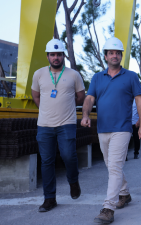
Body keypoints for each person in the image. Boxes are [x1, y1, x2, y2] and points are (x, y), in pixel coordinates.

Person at [81, 37, 141, 223]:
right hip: (102, 128)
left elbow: (140, 101)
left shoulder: (131, 76)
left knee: (115, 166)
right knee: (112, 166)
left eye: (118, 53)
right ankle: (124, 194)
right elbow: (89, 99)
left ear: (121, 56)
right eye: (111, 53)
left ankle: (108, 208)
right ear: (105, 56)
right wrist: (85, 115)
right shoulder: (97, 77)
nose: (115, 56)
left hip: (122, 128)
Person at [31, 39, 86, 212]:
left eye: (59, 54)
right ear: (47, 56)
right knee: (47, 161)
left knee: (68, 155)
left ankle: (73, 181)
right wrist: (46, 110)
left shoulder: (73, 75)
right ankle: (49, 199)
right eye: (52, 55)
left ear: (64, 56)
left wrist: (64, 107)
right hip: (44, 125)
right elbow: (36, 96)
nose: (56, 58)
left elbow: (80, 97)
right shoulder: (38, 74)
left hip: (67, 123)